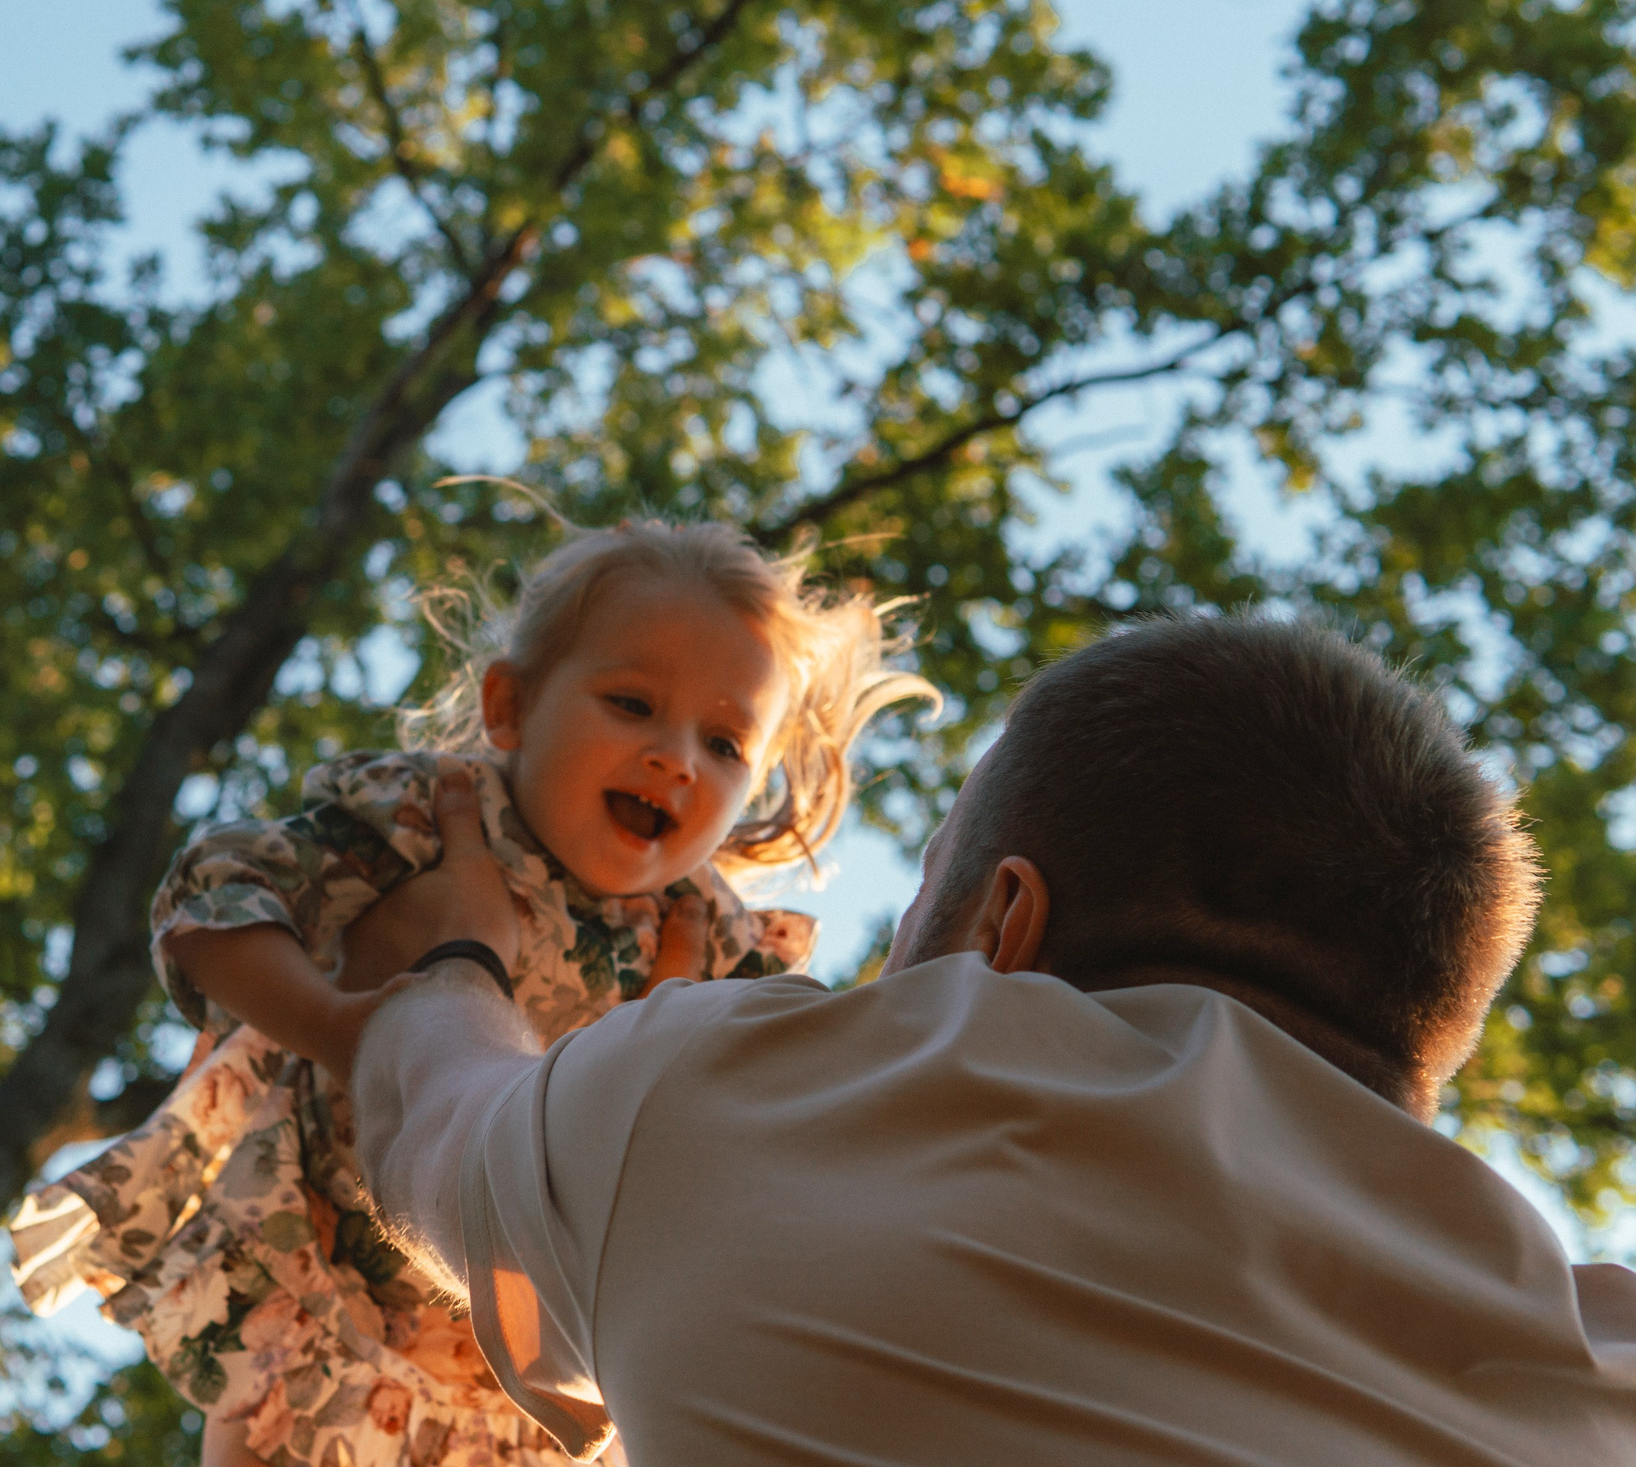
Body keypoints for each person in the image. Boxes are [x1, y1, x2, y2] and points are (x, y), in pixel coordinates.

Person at [344, 616, 1636, 1463]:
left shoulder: (741, 1100)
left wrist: (457, 958)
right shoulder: (1603, 1366)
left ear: (1004, 920)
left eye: (922, 891)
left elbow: (426, 1119)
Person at [6, 519, 932, 1467]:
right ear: (510, 705)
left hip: (513, 1377)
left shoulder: (715, 944)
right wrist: (333, 1025)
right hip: (315, 1276)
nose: (677, 757)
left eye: (725, 742)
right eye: (632, 703)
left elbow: (791, 1132)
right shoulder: (433, 816)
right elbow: (212, 897)